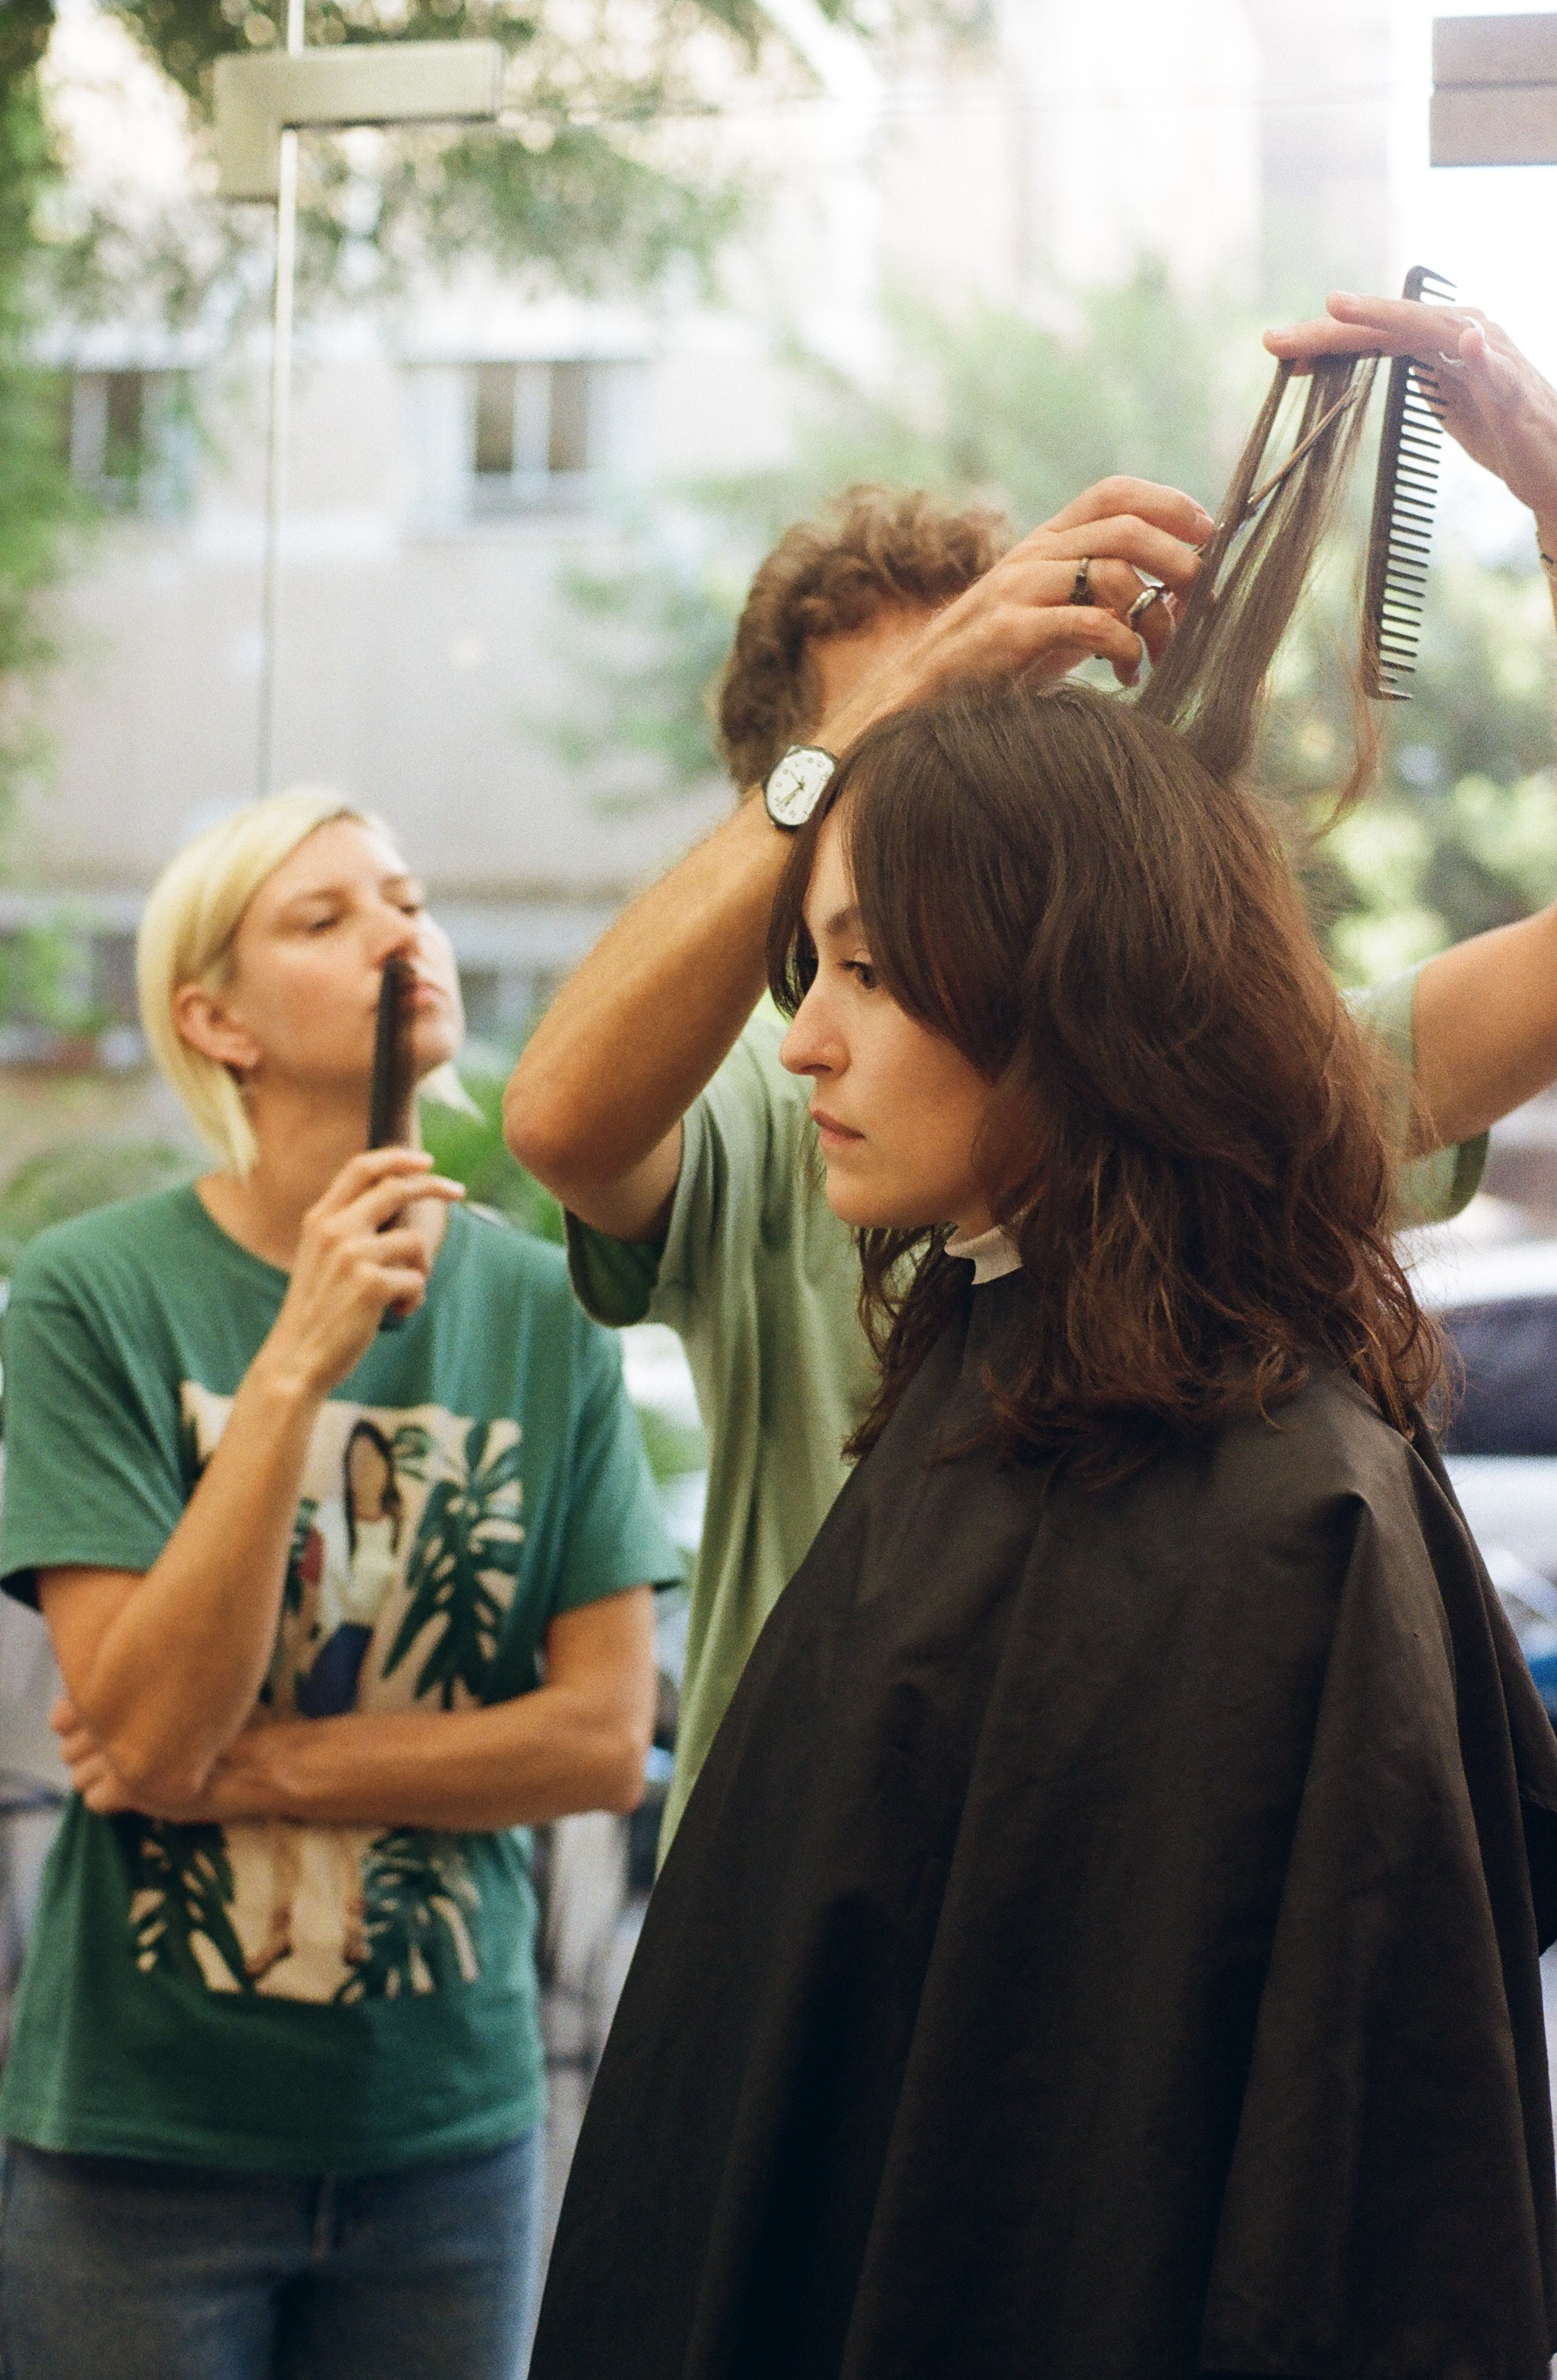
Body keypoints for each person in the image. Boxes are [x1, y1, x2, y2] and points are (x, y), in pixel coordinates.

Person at [528, 358, 1557, 2380]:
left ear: (1062, 951)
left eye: (880, 961)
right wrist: (880, 747)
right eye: (823, 947)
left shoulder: (1288, 1494)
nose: (814, 1033)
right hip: (820, 1990)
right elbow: (562, 1112)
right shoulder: (802, 1153)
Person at [0, 789, 678, 2380]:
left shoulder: (548, 1311)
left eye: (408, 899)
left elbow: (595, 1740)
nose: (399, 934)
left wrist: (263, 1768)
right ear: (212, 1020)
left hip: (449, 2144)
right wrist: (295, 1362)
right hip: (137, 2147)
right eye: (326, 914)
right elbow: (150, 1729)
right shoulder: (98, 1291)